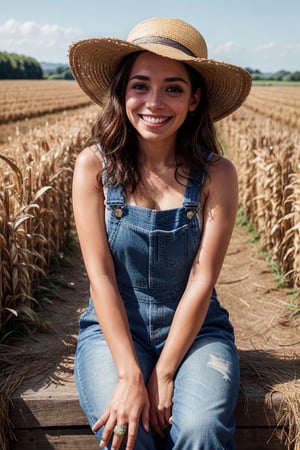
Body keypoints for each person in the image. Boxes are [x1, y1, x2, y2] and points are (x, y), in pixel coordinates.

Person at [69, 17, 251, 450]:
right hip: (114, 330)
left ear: (194, 100)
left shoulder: (216, 174)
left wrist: (164, 371)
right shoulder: (94, 167)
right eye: (141, 85)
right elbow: (101, 277)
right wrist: (132, 375)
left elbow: (202, 279)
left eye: (173, 87)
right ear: (122, 91)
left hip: (196, 332)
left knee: (201, 431)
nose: (154, 101)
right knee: (126, 434)